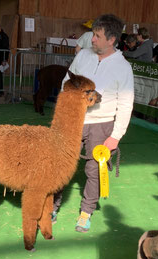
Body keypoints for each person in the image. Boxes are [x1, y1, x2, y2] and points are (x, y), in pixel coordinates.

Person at [52, 14, 134, 233]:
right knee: (61, 165)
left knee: (94, 170)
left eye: (97, 36)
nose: (92, 40)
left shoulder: (123, 67)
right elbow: (66, 85)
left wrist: (115, 135)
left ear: (112, 39)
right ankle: (52, 205)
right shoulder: (83, 56)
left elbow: (126, 104)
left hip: (102, 125)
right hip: (74, 122)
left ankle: (86, 213)